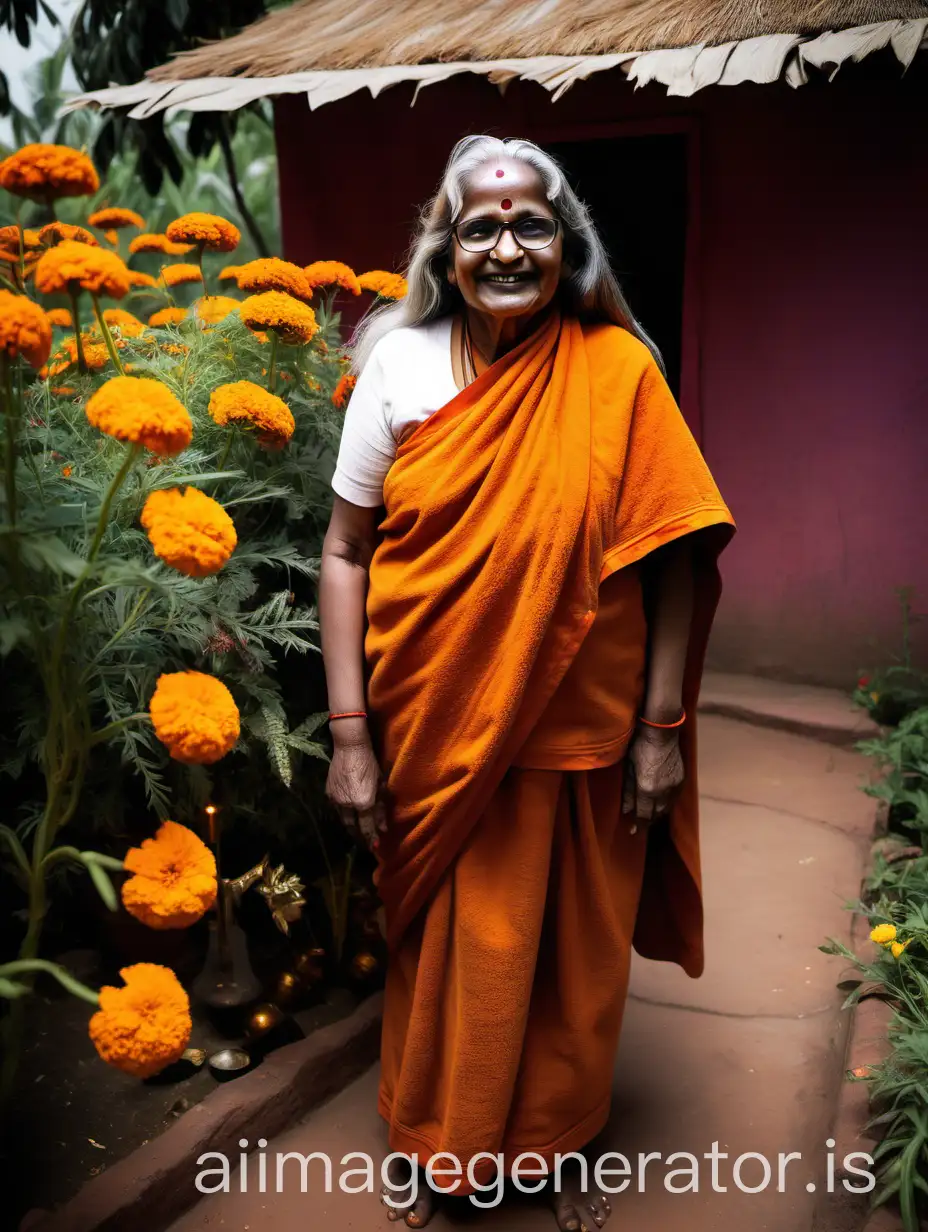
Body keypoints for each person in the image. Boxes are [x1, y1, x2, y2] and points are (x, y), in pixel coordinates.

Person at [318, 134, 734, 1231]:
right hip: (436, 717)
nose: (507, 245)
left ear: (568, 244)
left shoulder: (618, 372)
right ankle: (433, 1136)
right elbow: (345, 551)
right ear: (445, 251)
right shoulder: (399, 367)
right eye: (480, 226)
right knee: (451, 938)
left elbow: (674, 556)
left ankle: (549, 1139)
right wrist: (350, 733)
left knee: (565, 949)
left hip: (583, 729)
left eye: (531, 224)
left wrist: (663, 727)